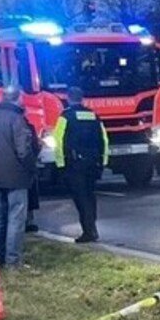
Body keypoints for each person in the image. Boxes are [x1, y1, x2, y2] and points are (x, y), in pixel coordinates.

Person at [0, 86, 38, 269]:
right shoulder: (17, 119)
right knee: (16, 218)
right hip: (15, 176)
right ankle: (13, 261)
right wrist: (32, 168)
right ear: (18, 99)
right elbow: (23, 151)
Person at [53, 87, 108, 243]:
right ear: (82, 98)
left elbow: (58, 141)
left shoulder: (66, 116)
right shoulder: (93, 116)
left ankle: (88, 231)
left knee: (80, 197)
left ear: (69, 98)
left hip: (74, 164)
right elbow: (104, 140)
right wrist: (102, 162)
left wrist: (60, 165)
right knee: (90, 196)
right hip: (93, 162)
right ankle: (92, 227)